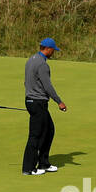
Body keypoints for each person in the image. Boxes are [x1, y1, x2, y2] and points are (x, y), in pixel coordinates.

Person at [22, 38, 66, 175]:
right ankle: (28, 168)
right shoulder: (42, 64)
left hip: (32, 100)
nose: (54, 52)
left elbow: (25, 81)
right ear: (48, 49)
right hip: (38, 102)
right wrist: (59, 101)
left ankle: (43, 163)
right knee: (35, 135)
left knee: (49, 130)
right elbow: (48, 86)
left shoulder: (31, 59)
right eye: (53, 50)